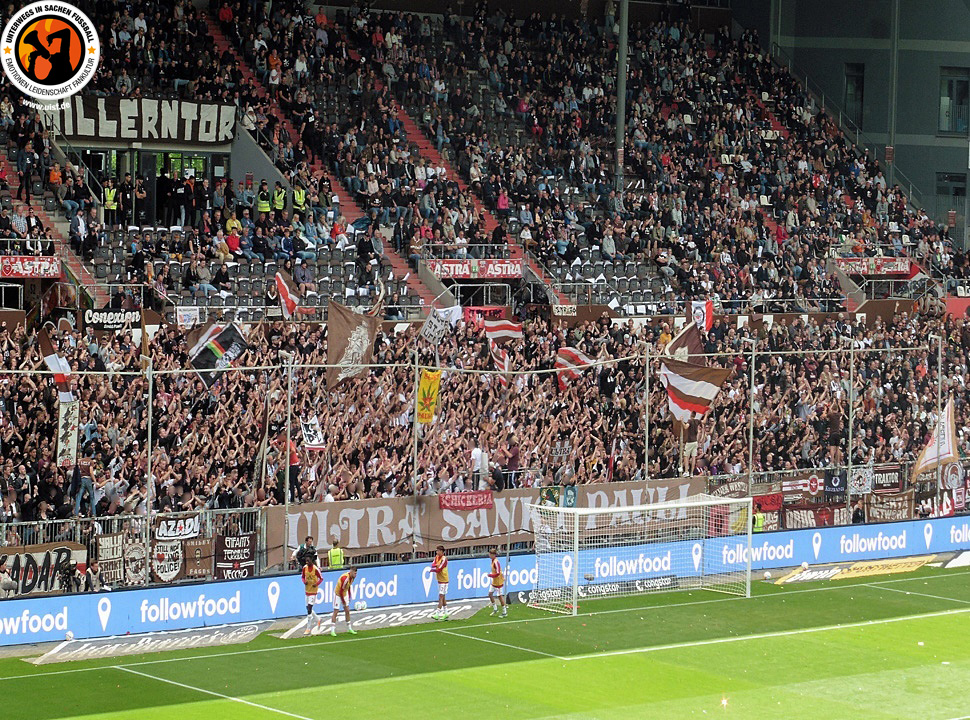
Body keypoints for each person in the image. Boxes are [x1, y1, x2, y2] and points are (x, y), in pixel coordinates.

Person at [329, 566, 357, 636]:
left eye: (356, 573)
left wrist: (349, 595)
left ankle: (349, 628)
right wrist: (343, 601)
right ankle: (332, 630)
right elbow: (341, 591)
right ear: (351, 572)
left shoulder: (352, 578)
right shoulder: (345, 578)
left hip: (344, 594)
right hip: (338, 594)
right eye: (355, 573)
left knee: (347, 610)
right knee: (336, 611)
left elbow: (349, 586)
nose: (355, 575)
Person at [301, 557, 323, 635]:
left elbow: (321, 578)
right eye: (306, 561)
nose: (307, 563)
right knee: (307, 608)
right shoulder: (304, 568)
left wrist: (316, 584)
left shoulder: (315, 569)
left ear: (312, 561)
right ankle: (318, 619)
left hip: (313, 591)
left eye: (308, 561)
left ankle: (308, 628)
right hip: (307, 590)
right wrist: (304, 582)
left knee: (309, 608)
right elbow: (303, 577)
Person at [430, 544, 449, 620]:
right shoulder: (436, 557)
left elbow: (439, 569)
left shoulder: (444, 559)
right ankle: (446, 612)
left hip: (444, 579)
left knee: (441, 596)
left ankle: (437, 613)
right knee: (443, 596)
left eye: (438, 550)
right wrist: (434, 566)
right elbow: (433, 564)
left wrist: (433, 569)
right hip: (439, 579)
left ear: (442, 551)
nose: (437, 552)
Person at [487, 549, 507, 617]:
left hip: (498, 582)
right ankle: (495, 608)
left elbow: (498, 573)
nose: (489, 555)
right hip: (494, 581)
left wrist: (491, 575)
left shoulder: (496, 562)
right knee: (490, 594)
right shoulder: (492, 561)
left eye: (490, 554)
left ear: (493, 555)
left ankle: (504, 611)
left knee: (499, 596)